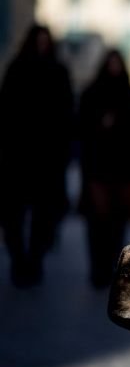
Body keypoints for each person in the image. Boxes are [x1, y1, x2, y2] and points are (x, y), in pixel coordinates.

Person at [0, 23, 73, 286]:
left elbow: (66, 117)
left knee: (44, 217)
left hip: (48, 161)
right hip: (18, 158)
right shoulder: (17, 69)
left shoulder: (58, 72)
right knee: (13, 216)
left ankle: (34, 261)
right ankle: (19, 261)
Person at [78, 49, 130, 287]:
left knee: (116, 226)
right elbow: (82, 133)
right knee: (97, 224)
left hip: (123, 173)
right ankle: (97, 269)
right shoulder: (92, 95)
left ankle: (110, 267)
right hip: (98, 172)